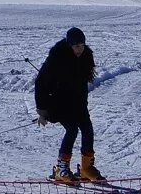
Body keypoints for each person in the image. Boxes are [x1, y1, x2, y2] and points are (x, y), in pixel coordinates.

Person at [34, 27, 103, 184]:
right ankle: (61, 168)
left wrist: (83, 104)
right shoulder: (56, 58)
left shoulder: (86, 57)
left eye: (82, 46)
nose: (80, 49)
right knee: (72, 129)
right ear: (69, 45)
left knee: (87, 129)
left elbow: (82, 84)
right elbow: (41, 83)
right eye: (77, 46)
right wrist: (42, 111)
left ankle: (86, 169)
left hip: (78, 102)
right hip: (59, 104)